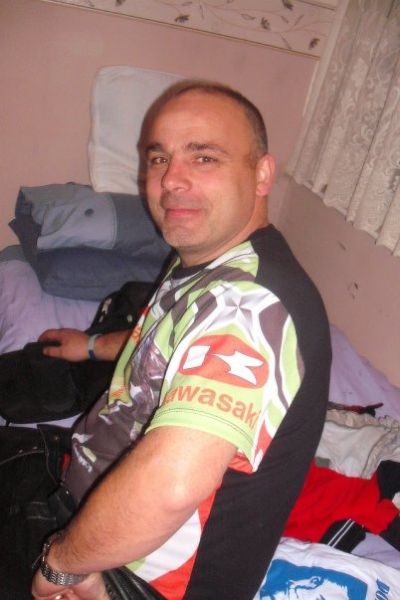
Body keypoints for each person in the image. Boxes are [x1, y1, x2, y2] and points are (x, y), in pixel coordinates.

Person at [12, 79, 331, 600]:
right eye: (159, 159)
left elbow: (171, 484)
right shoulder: (208, 261)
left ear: (262, 174)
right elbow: (166, 344)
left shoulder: (250, 306)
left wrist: (62, 565)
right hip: (86, 501)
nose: (170, 181)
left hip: (126, 575)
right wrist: (89, 347)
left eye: (203, 158)